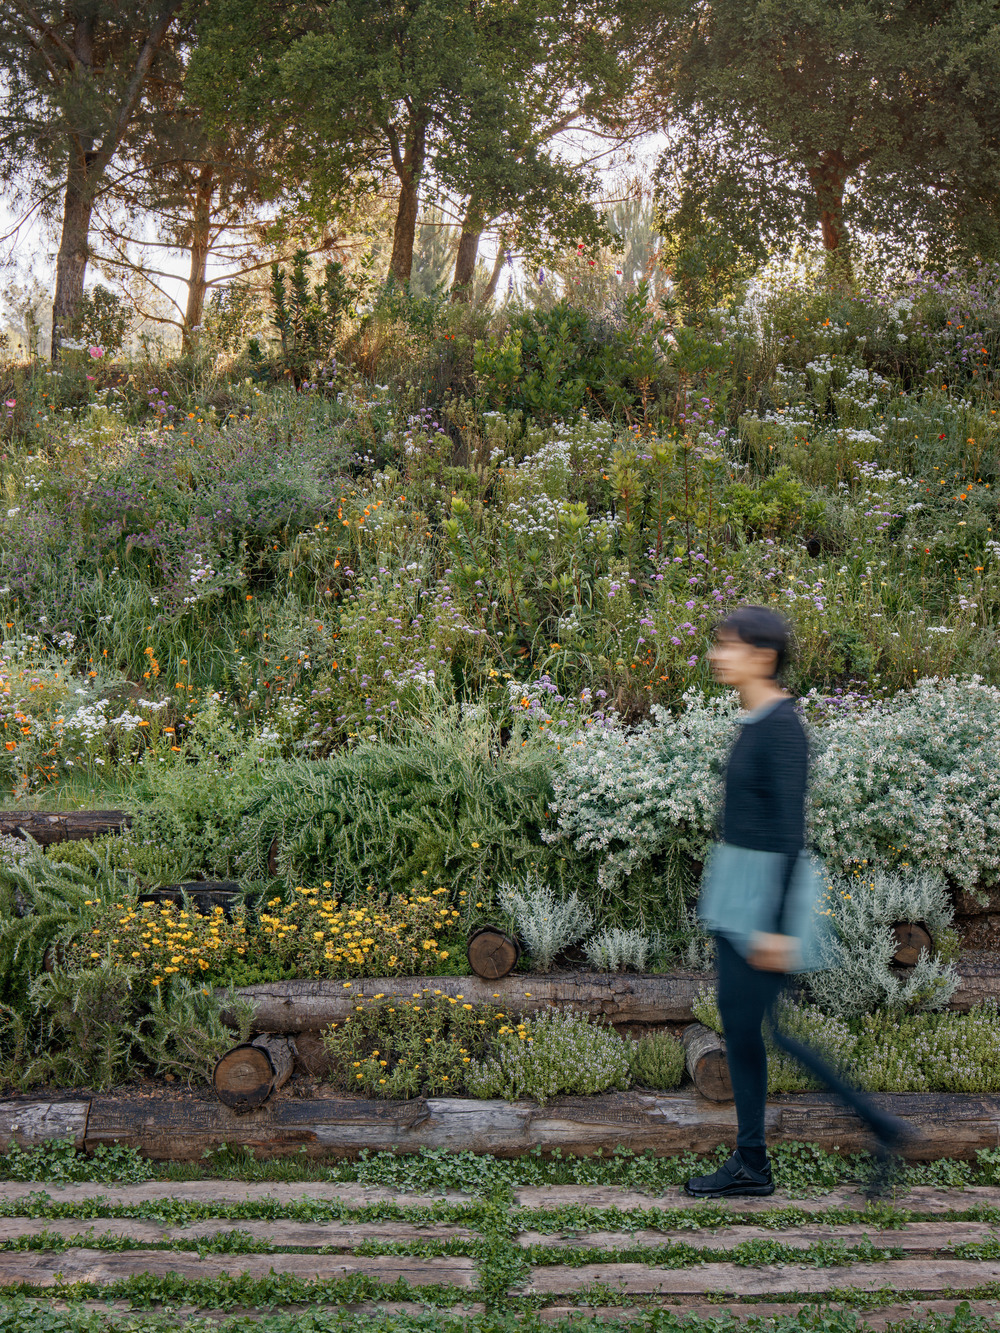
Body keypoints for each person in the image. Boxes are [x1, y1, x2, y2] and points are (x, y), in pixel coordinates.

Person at [684, 606, 911, 1199]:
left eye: (726, 645)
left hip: (763, 899)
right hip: (741, 887)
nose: (716, 654)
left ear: (761, 656)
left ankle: (878, 1131)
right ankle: (756, 1161)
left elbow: (789, 831)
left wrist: (779, 926)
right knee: (746, 1026)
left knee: (765, 1031)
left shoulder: (782, 728)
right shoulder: (759, 720)